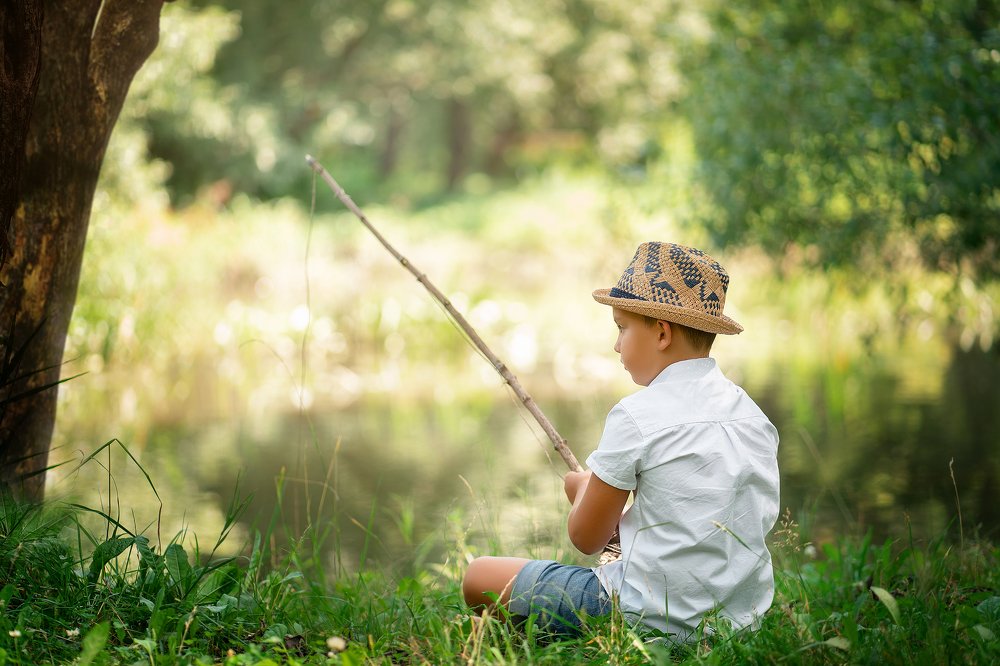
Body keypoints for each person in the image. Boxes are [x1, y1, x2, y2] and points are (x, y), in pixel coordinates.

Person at [462, 241, 780, 640]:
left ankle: (535, 632)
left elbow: (586, 539)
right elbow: (697, 523)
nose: (616, 344)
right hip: (738, 624)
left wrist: (582, 492)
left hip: (645, 617)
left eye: (621, 328)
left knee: (479, 576)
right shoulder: (753, 417)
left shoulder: (636, 415)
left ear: (662, 332)